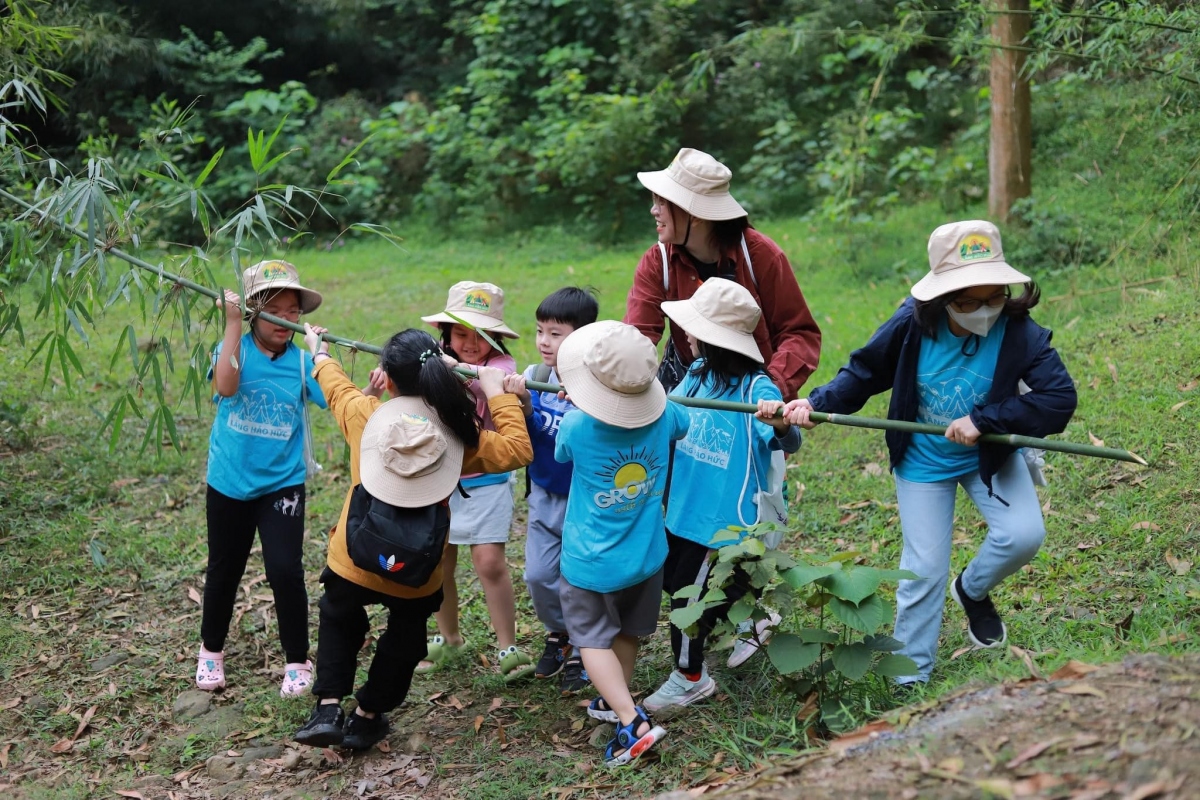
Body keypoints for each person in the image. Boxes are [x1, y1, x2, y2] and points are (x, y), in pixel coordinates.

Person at [783, 220, 1077, 686]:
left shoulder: (1020, 332)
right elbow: (863, 372)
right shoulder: (911, 325)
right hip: (924, 462)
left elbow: (1059, 398)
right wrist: (817, 403)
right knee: (922, 570)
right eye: (968, 302)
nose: (985, 311)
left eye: (995, 297)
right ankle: (910, 676)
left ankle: (973, 589)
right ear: (941, 298)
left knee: (1023, 535)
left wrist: (986, 420)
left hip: (989, 456)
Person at [292, 325, 533, 750]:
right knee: (405, 638)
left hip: (356, 553)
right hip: (418, 566)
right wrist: (498, 392)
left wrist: (319, 351)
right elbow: (517, 449)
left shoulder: (365, 414)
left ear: (386, 376)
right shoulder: (459, 434)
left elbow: (334, 385)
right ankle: (367, 717)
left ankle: (328, 706)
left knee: (337, 615)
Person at [644, 279, 803, 712]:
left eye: (695, 330)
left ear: (716, 341)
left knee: (687, 599)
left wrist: (780, 423)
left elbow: (785, 444)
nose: (688, 336)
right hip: (682, 506)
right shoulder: (697, 375)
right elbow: (665, 410)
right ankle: (751, 615)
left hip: (722, 521)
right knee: (671, 581)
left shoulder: (758, 391)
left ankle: (690, 677)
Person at [554, 320, 690, 766]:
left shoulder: (576, 426)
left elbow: (561, 454)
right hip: (647, 556)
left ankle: (632, 720)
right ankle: (613, 702)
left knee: (591, 638)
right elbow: (682, 422)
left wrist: (578, 405)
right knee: (628, 629)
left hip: (591, 562)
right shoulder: (666, 414)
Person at [198, 260, 326, 697]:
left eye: (295, 312)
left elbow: (337, 399)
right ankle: (211, 650)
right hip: (230, 480)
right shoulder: (233, 347)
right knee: (224, 568)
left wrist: (368, 387)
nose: (287, 321)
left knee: (285, 570)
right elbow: (227, 386)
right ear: (255, 311)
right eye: (277, 311)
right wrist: (232, 325)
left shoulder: (302, 362)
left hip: (282, 483)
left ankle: (296, 660)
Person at [624, 147, 822, 398]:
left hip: (755, 390)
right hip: (689, 388)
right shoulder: (658, 260)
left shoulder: (760, 256)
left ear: (694, 215)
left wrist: (769, 391)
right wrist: (607, 381)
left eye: (663, 202)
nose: (654, 210)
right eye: (655, 200)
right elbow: (637, 336)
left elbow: (798, 333)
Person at [413, 281, 534, 681]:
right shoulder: (433, 360)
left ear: (495, 337)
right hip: (442, 478)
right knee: (440, 562)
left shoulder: (502, 367)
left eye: (480, 335)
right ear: (446, 333)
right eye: (460, 333)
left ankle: (507, 645)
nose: (469, 343)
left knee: (489, 562)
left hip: (488, 479)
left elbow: (486, 383)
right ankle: (449, 637)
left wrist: (452, 371)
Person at [504, 287, 600, 694]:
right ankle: (559, 633)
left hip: (585, 499)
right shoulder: (534, 377)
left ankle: (583, 645)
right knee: (540, 575)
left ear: (581, 337)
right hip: (544, 494)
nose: (544, 341)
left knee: (579, 579)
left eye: (555, 333)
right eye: (540, 330)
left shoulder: (599, 385)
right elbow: (523, 437)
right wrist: (522, 405)